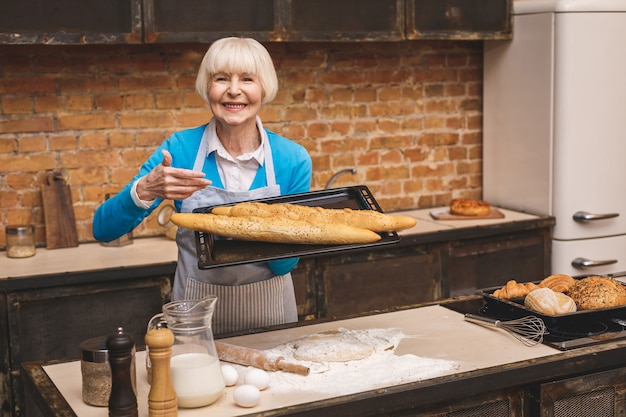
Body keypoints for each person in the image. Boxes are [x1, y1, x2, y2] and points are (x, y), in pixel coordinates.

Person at [93, 37, 313, 334]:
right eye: (221, 78)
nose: (234, 90)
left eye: (247, 79)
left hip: (270, 322)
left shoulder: (293, 160)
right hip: (193, 324)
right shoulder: (180, 150)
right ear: (207, 87)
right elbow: (103, 229)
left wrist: (291, 230)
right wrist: (148, 188)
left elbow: (283, 266)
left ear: (264, 88)